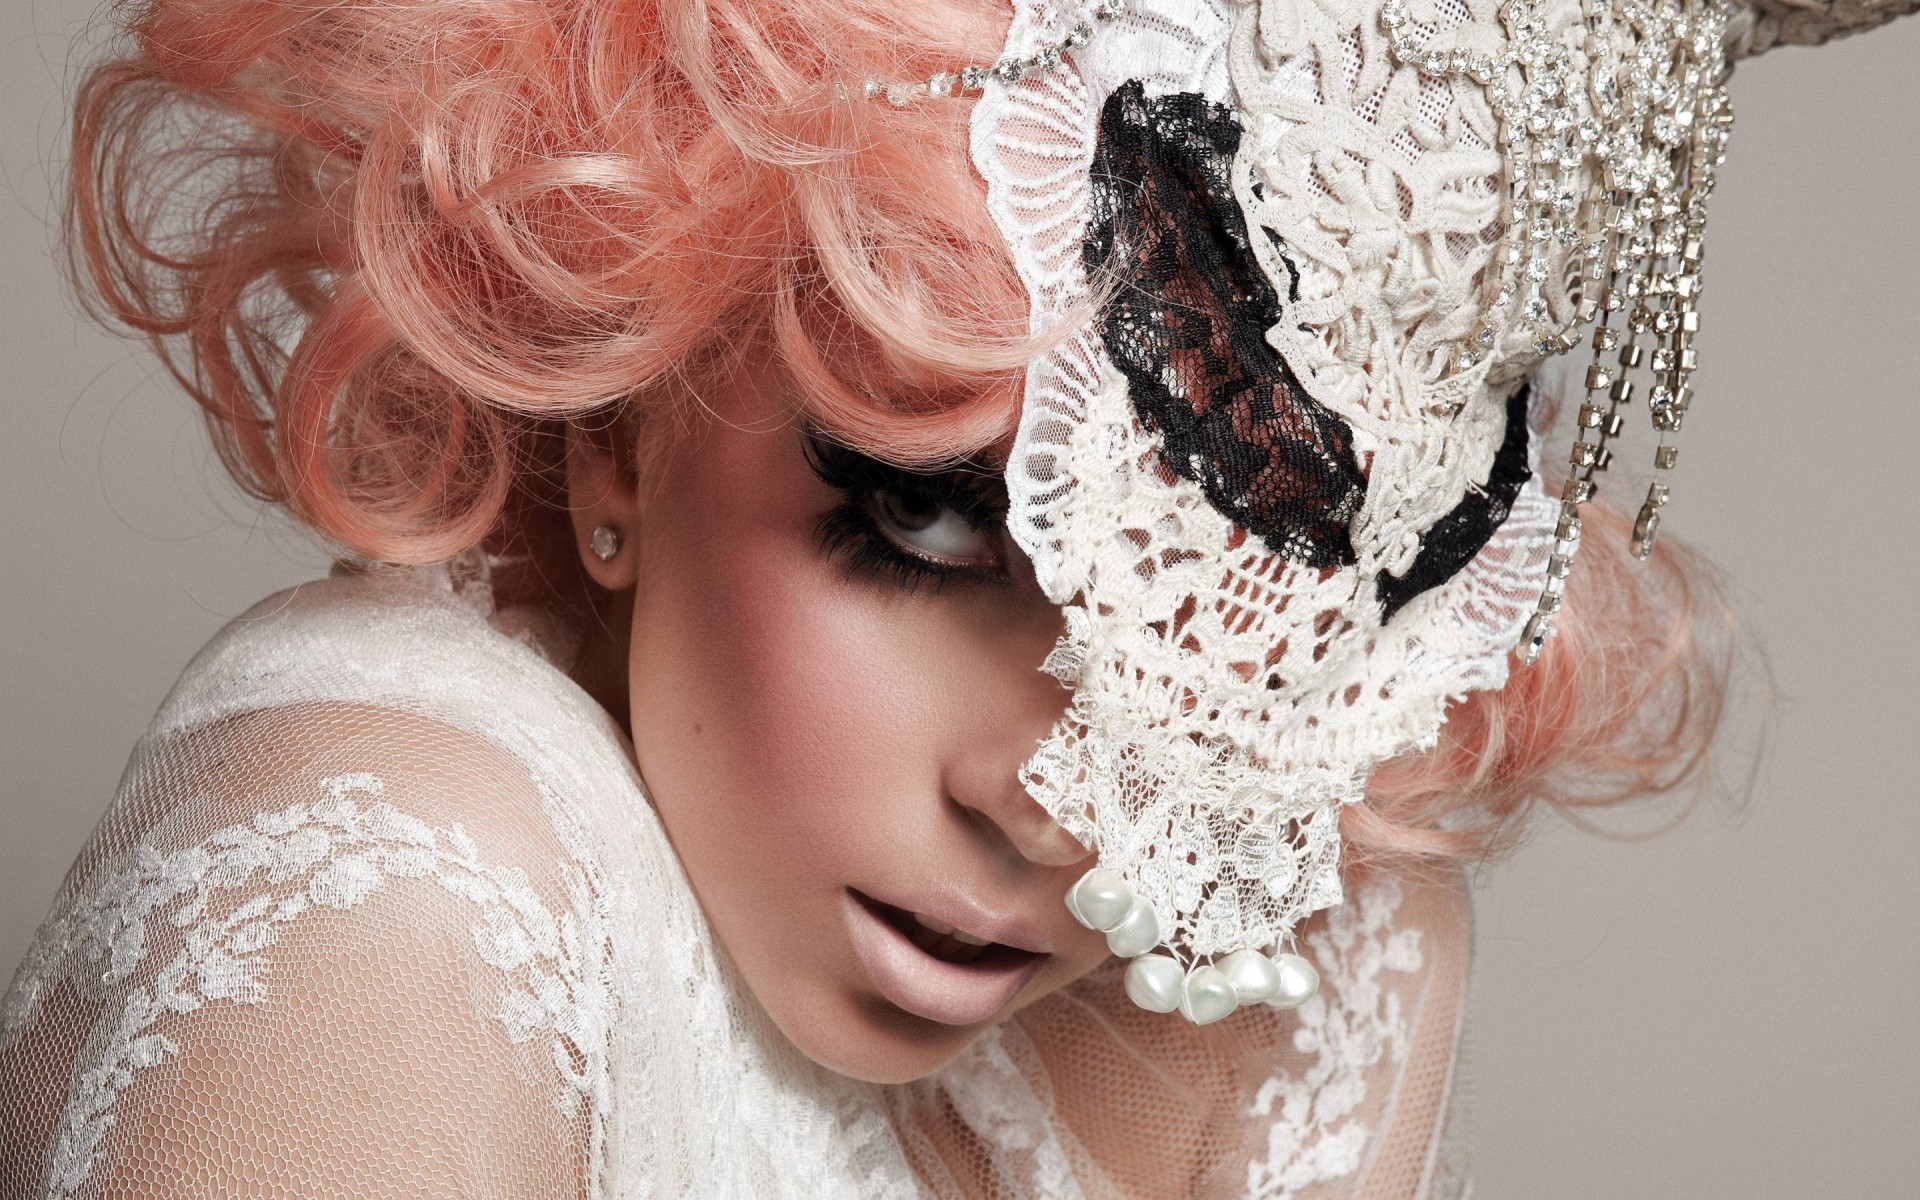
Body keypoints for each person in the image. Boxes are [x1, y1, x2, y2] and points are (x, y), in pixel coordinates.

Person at [2, 0, 1910, 1196]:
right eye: (925, 525)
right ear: (623, 428)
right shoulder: (392, 880)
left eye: (1250, 610)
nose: (1065, 800)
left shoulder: (1301, 960)